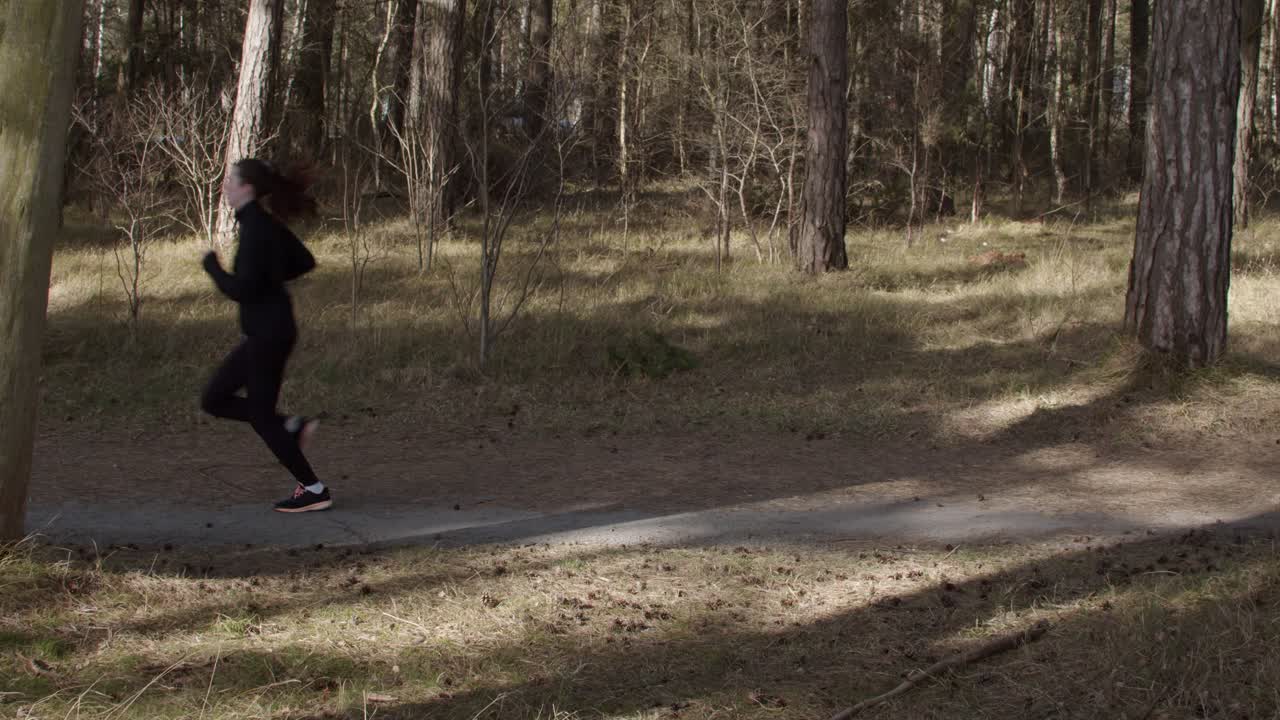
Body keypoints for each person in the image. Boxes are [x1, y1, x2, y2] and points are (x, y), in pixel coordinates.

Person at [200, 158, 331, 513]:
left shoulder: (258, 230)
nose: (226, 186)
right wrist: (272, 279)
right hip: (268, 331)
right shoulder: (262, 225)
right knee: (214, 398)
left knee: (258, 415)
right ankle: (290, 425)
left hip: (268, 335)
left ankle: (313, 487)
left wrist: (212, 267)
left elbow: (240, 290)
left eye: (231, 181)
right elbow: (304, 261)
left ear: (247, 189)